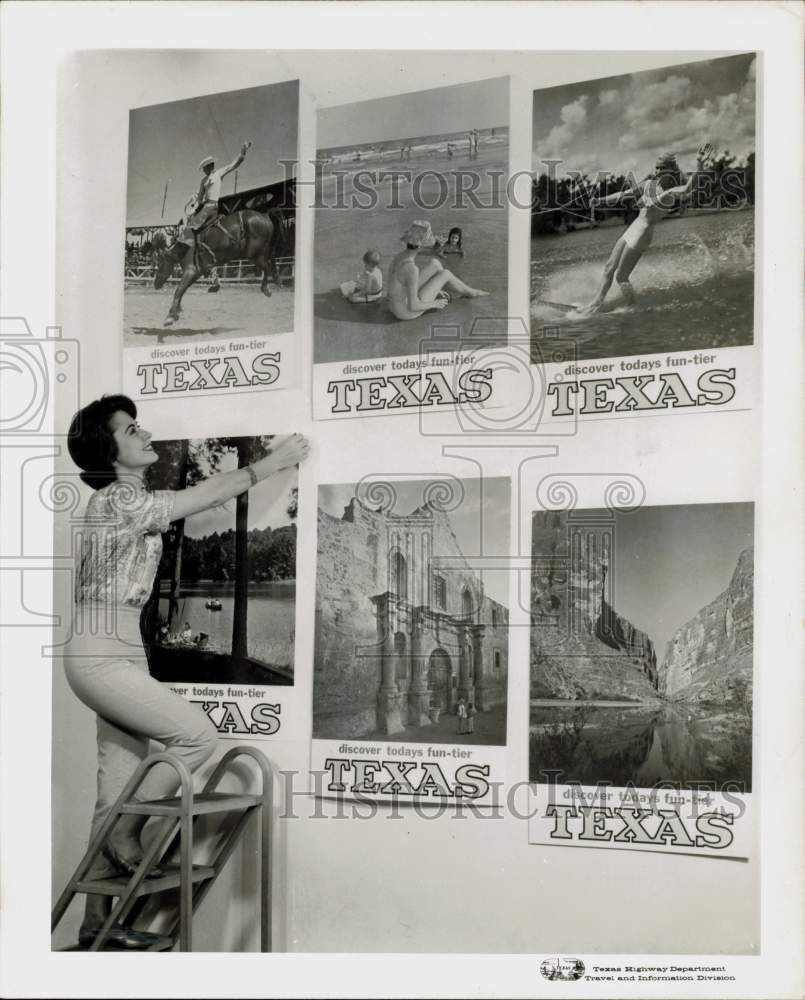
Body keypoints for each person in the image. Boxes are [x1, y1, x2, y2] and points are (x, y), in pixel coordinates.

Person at [65, 394, 309, 949]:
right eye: (132, 430)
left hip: (120, 649)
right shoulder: (117, 499)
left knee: (113, 792)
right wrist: (273, 462)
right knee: (196, 736)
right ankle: (126, 834)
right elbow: (205, 494)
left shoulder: (129, 499)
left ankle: (96, 929)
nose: (144, 434)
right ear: (111, 451)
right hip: (100, 652)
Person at [579, 143, 715, 315]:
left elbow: (688, 188)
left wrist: (699, 164)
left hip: (643, 233)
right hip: (633, 227)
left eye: (661, 168)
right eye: (656, 167)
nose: (657, 171)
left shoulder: (672, 192)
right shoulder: (648, 184)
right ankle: (596, 303)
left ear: (670, 170)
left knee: (621, 276)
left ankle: (632, 305)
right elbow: (623, 194)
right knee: (608, 267)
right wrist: (600, 201)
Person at [178, 141, 252, 291]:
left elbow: (234, 164)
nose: (206, 170)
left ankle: (184, 254)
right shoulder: (203, 181)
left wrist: (243, 151)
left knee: (189, 229)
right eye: (205, 168)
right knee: (193, 228)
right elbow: (200, 198)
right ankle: (210, 272)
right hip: (204, 206)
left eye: (207, 167)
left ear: (211, 166)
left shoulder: (218, 173)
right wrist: (194, 201)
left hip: (212, 206)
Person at [386, 220, 489, 321]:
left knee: (435, 263)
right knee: (446, 274)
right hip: (405, 312)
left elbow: (425, 252)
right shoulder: (412, 269)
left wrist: (439, 247)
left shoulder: (400, 256)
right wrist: (435, 303)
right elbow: (413, 306)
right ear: (421, 245)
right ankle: (472, 292)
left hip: (395, 304)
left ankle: (440, 287)